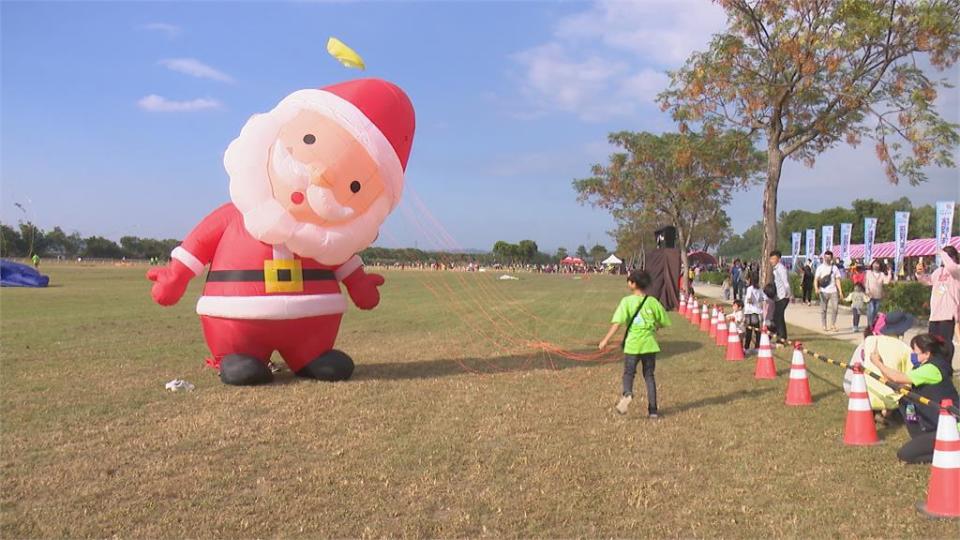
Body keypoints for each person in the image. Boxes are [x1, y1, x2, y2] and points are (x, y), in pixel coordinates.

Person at [869, 333, 959, 464]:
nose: (912, 354)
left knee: (905, 454)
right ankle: (925, 440)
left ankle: (950, 454)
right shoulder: (925, 366)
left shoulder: (931, 369)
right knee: (905, 401)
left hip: (951, 427)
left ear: (927, 354)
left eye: (915, 352)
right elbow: (895, 382)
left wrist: (878, 363)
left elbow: (897, 378)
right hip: (937, 424)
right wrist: (882, 366)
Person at [599, 270, 671, 419]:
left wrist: (606, 340)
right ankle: (653, 411)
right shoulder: (652, 302)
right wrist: (655, 326)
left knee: (629, 373)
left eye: (629, 281)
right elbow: (664, 321)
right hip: (650, 346)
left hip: (632, 346)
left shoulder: (627, 301)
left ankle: (628, 393)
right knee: (649, 376)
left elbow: (617, 323)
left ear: (633, 283)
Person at [915, 246, 960, 360]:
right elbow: (927, 281)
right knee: (932, 343)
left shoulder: (957, 270)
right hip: (935, 314)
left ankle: (946, 367)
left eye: (949, 256)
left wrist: (941, 252)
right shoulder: (938, 271)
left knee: (945, 343)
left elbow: (951, 266)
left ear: (954, 257)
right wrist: (920, 274)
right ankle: (935, 364)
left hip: (948, 313)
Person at [814, 250, 844, 332]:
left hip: (833, 290)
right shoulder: (820, 268)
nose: (827, 259)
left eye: (829, 257)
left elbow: (837, 280)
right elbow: (816, 279)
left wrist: (840, 291)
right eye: (825, 257)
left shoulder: (834, 268)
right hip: (823, 291)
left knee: (835, 308)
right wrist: (816, 288)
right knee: (823, 309)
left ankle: (833, 325)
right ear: (824, 257)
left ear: (831, 258)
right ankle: (824, 325)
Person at [769, 250, 792, 342]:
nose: (772, 260)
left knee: (778, 317)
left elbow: (785, 282)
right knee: (778, 317)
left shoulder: (781, 269)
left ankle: (781, 337)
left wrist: (788, 293)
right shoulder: (775, 269)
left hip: (783, 296)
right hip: (778, 296)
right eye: (771, 258)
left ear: (778, 259)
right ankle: (780, 335)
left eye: (774, 258)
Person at [864, 259, 892, 328]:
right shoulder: (868, 273)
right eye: (874, 264)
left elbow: (886, 282)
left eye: (877, 264)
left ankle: (873, 325)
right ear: (872, 265)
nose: (876, 265)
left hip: (878, 296)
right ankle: (870, 326)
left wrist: (889, 273)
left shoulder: (881, 274)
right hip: (870, 296)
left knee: (875, 312)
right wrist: (867, 291)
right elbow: (866, 283)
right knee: (871, 310)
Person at [743, 276, 764, 353]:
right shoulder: (759, 289)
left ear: (750, 280)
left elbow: (749, 299)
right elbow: (763, 298)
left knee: (749, 330)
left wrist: (752, 301)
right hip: (757, 311)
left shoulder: (750, 289)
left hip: (749, 311)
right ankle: (757, 347)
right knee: (757, 331)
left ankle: (747, 348)